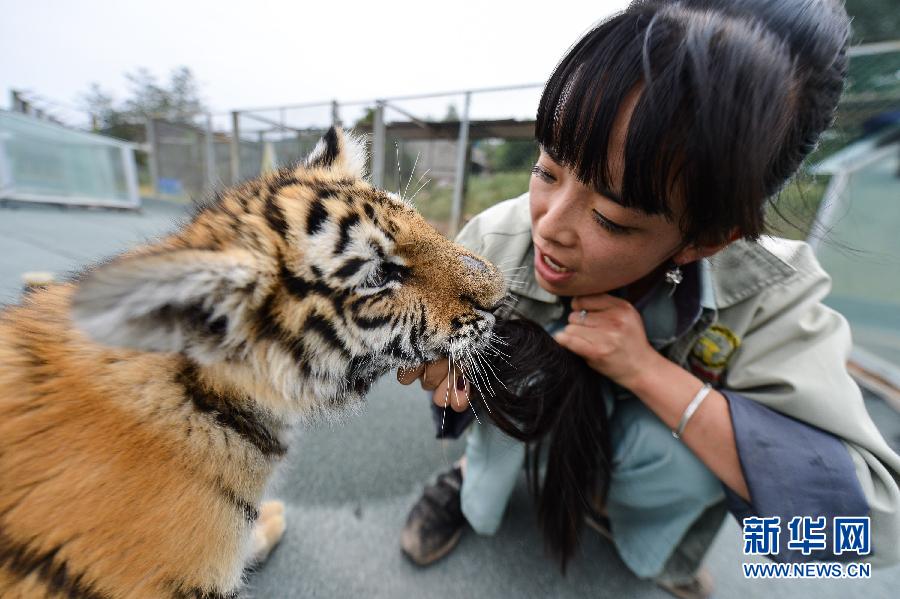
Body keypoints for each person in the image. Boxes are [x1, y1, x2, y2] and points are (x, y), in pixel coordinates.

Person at [395, 1, 900, 598]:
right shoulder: (494, 241)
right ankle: (466, 480)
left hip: (647, 445)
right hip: (536, 421)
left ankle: (651, 542)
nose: (548, 227)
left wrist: (647, 373)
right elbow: (434, 369)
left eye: (611, 218)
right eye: (546, 170)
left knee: (684, 456)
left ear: (708, 239)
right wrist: (450, 366)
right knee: (508, 383)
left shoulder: (773, 293)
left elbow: (867, 533)